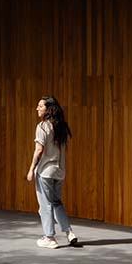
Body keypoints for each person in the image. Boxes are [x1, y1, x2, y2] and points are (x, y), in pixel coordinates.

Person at [26, 95, 79, 249]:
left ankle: (49, 237)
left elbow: (39, 150)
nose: (37, 108)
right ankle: (69, 232)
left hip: (45, 172)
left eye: (40, 106)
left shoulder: (42, 127)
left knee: (45, 204)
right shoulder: (61, 127)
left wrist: (31, 170)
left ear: (48, 109)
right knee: (56, 202)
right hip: (59, 171)